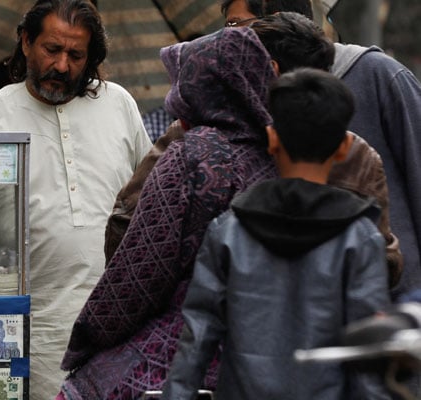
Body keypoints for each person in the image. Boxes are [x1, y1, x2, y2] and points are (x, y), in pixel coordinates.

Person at [0, 0, 152, 397]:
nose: (63, 66)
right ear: (27, 42)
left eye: (76, 55)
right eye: (52, 50)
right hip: (36, 323)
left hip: (119, 316)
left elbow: (149, 196)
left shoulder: (119, 104)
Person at [60, 27, 278, 399]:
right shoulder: (284, 155)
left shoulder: (192, 155)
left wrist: (90, 335)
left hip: (185, 352)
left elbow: (140, 273)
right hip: (269, 355)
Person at [162, 67, 392, 400]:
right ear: (344, 147)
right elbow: (367, 359)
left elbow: (196, 340)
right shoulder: (360, 238)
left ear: (272, 139)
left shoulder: (228, 231)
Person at [223, 0, 421, 302]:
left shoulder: (376, 75)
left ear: (275, 21)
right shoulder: (249, 105)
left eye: (236, 25)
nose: (227, 39)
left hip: (400, 299)